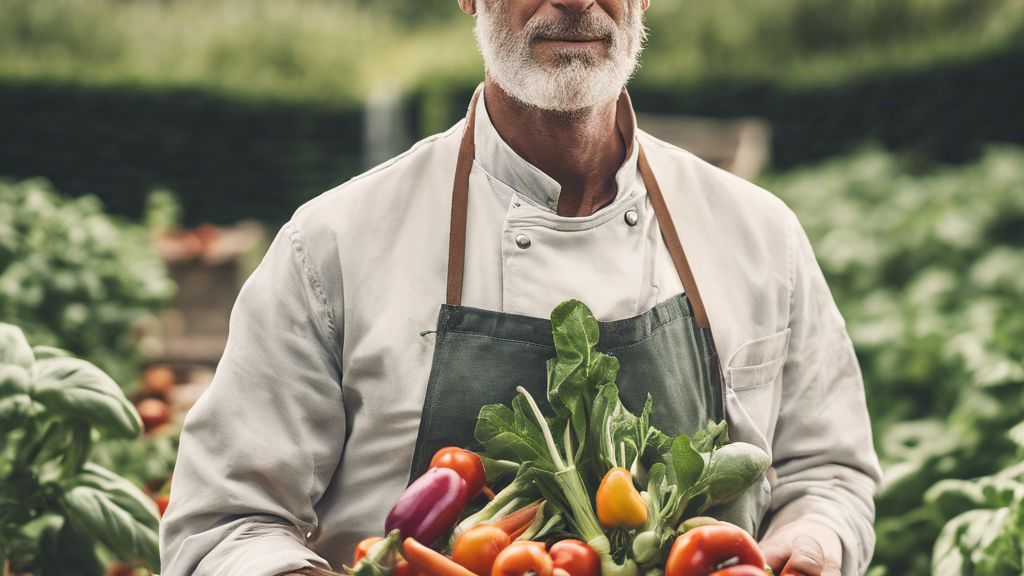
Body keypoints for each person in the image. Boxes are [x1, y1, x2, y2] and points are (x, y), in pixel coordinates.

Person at [159, 1, 882, 575]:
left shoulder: (759, 232)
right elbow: (223, 521)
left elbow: (829, 470)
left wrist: (815, 535)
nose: (574, 1)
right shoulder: (332, 247)